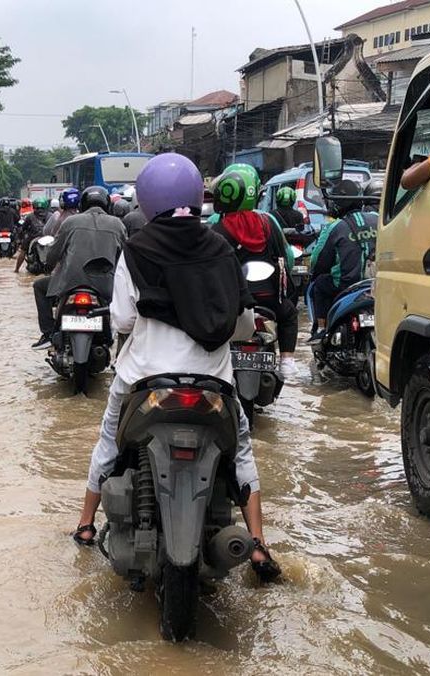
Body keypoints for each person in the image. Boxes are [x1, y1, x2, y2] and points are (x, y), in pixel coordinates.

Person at [71, 153, 280, 582]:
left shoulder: (138, 248)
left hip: (144, 378)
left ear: (147, 199)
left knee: (109, 441)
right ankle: (259, 545)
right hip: (214, 383)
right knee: (241, 451)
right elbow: (241, 323)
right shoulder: (220, 247)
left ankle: (87, 524)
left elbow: (125, 320)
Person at [210, 164, 299, 355]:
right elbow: (287, 259)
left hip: (231, 303)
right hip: (270, 301)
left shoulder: (215, 227)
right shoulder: (268, 222)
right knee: (290, 313)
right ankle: (288, 362)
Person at [31, 185, 125, 349]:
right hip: (106, 287)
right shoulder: (118, 224)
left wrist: (48, 266)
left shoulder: (70, 222)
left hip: (70, 283)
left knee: (39, 286)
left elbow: (54, 253)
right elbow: (125, 258)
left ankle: (47, 333)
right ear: (108, 205)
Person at [307, 179, 379, 341]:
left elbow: (317, 262)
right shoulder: (378, 219)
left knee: (318, 285)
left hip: (345, 285)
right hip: (379, 283)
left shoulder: (335, 227)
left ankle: (322, 328)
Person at [14, 196, 51, 273]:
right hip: (49, 237)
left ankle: (17, 269)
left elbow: (23, 228)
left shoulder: (30, 216)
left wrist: (19, 239)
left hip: (33, 237)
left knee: (23, 251)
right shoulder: (51, 215)